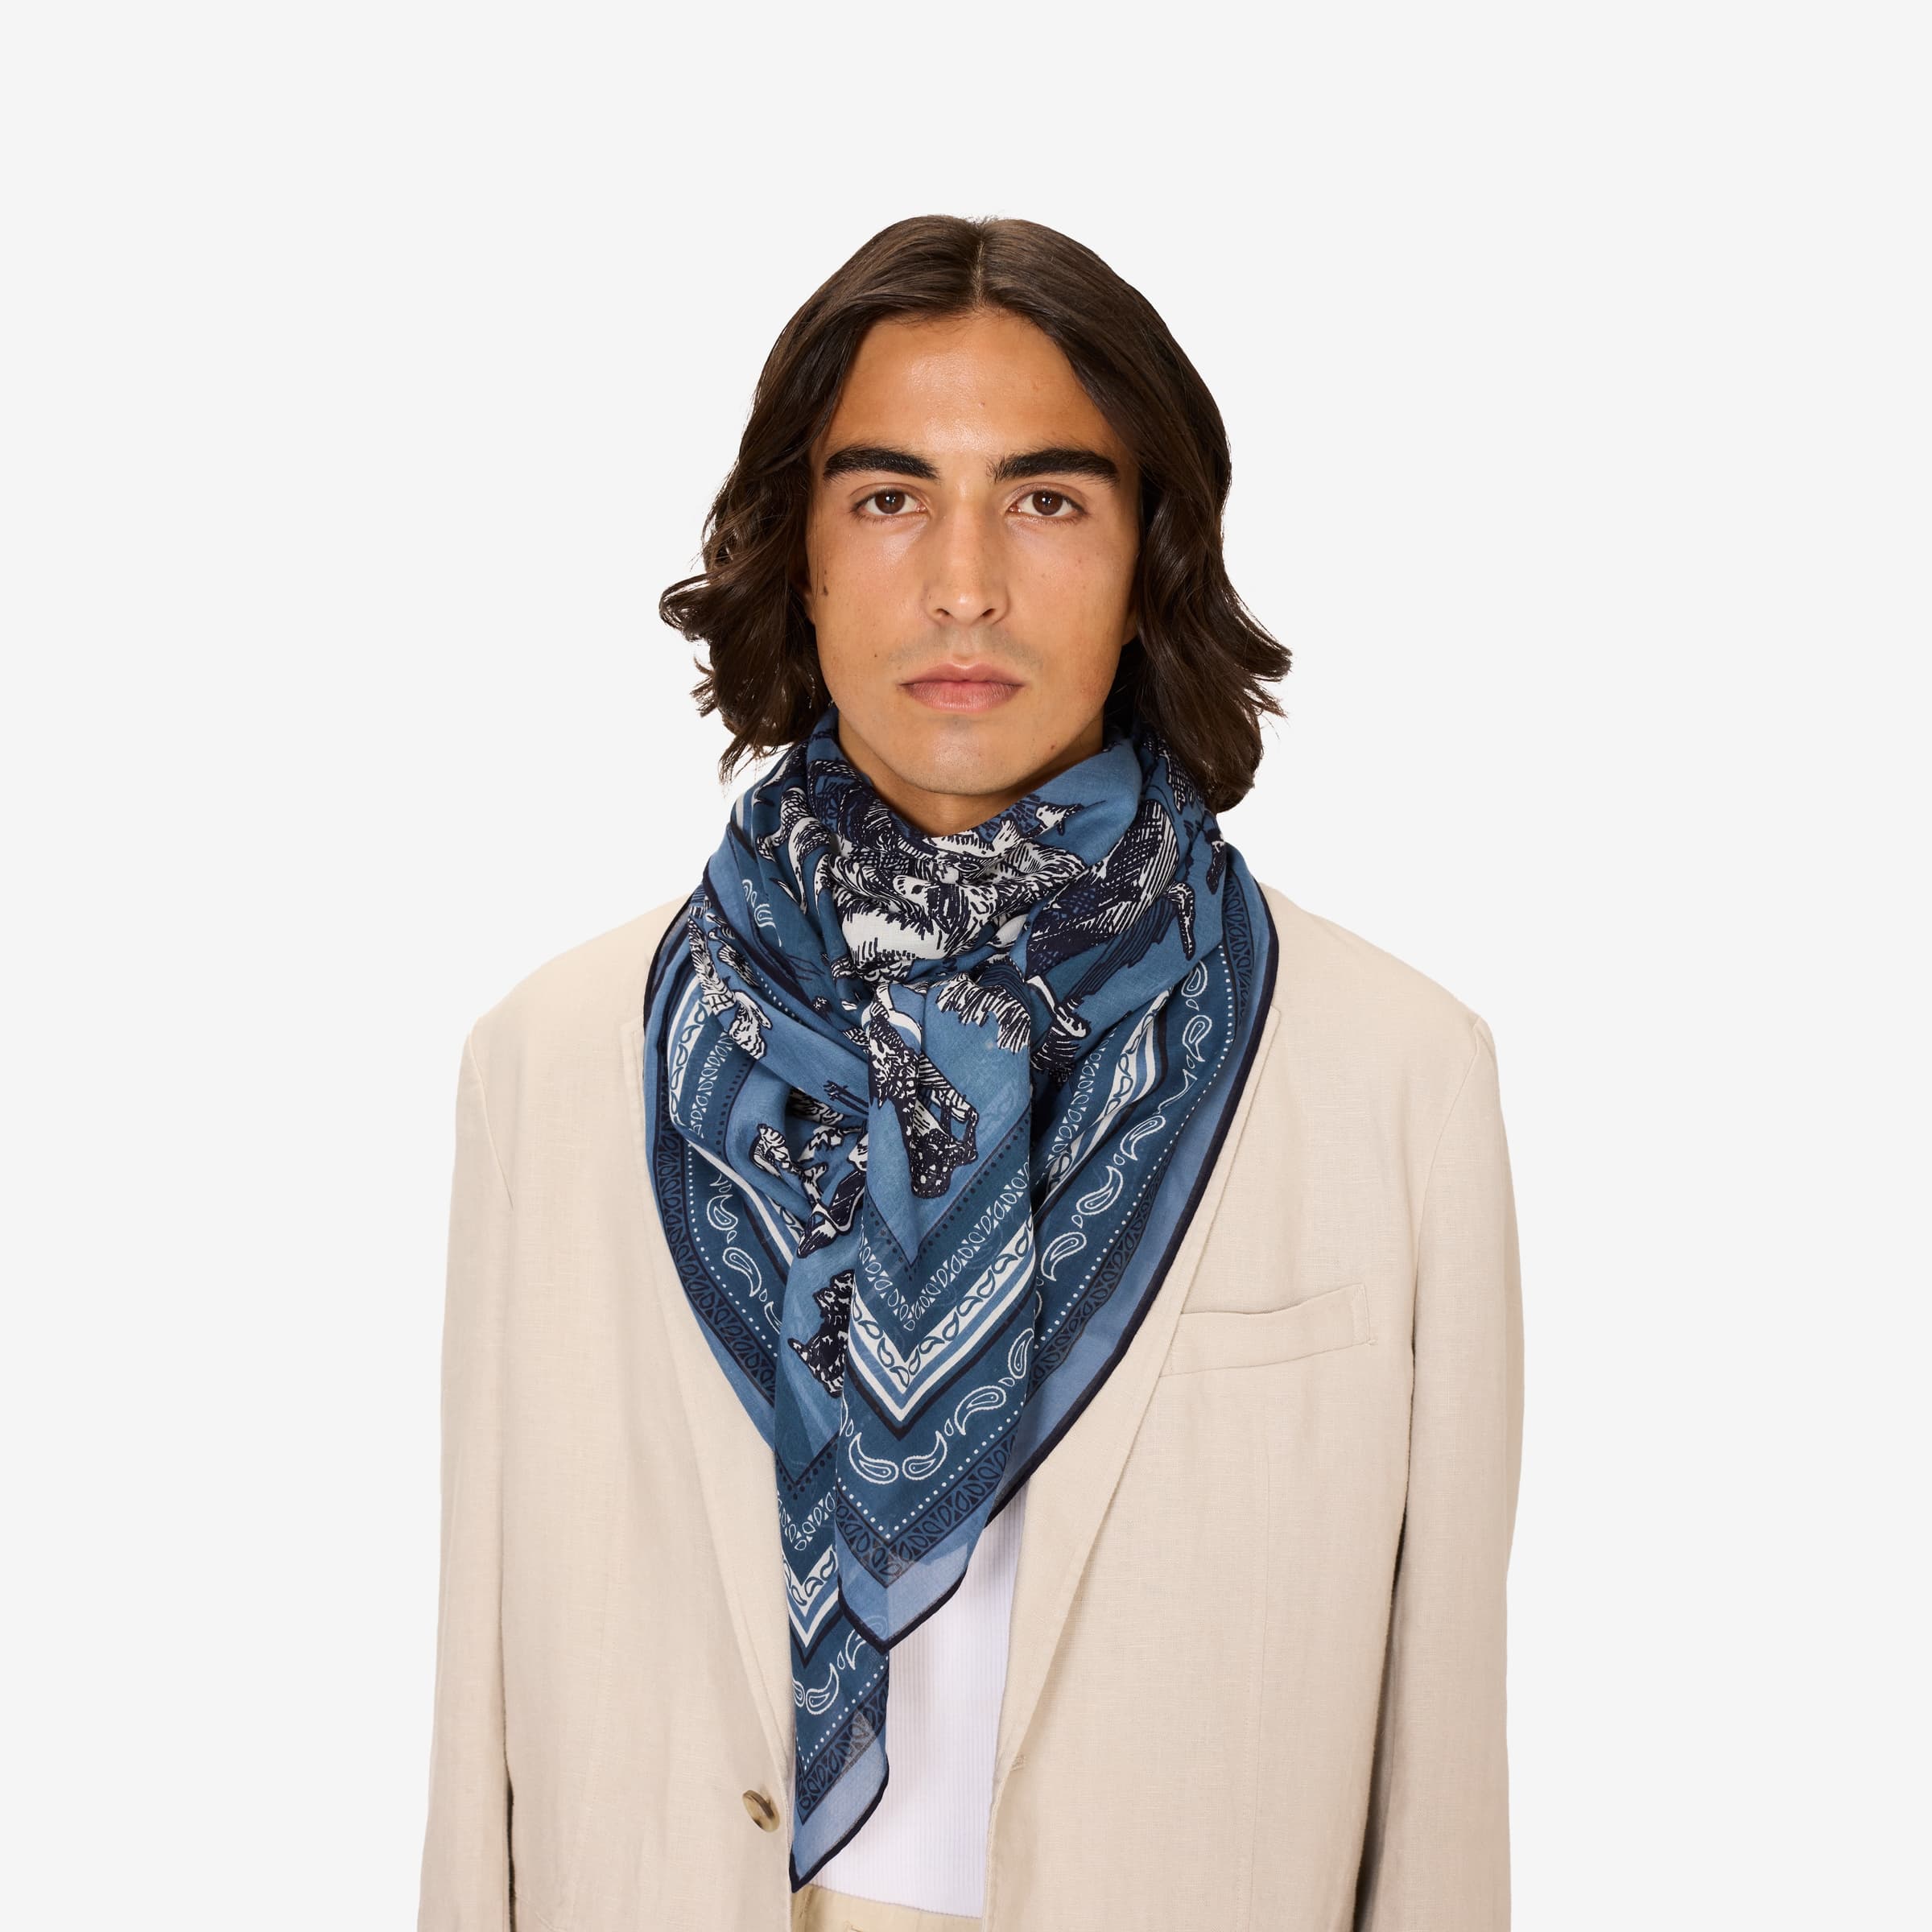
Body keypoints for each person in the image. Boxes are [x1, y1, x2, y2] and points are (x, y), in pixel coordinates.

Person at [417, 214, 1525, 1932]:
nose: (963, 585)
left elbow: (1441, 1781)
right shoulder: (554, 1062)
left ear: (1151, 555)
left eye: (1047, 500)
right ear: (798, 553)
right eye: (888, 498)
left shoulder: (1393, 1078)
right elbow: (481, 1727)